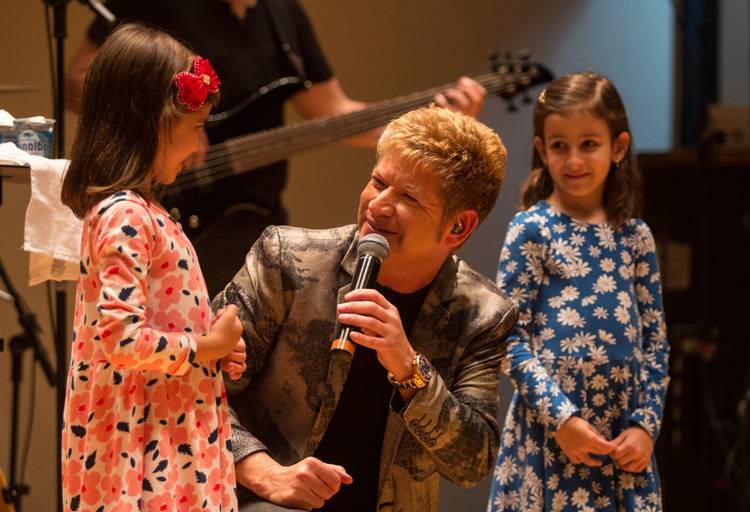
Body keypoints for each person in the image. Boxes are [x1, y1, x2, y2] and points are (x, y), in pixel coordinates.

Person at [64, 0, 487, 296]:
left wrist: (433, 123)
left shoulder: (282, 13)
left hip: (254, 219)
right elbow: (81, 80)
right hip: (173, 210)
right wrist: (169, 118)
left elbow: (331, 115)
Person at [211, 106, 517, 511]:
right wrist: (265, 473)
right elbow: (196, 386)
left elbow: (472, 464)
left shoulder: (482, 314)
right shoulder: (287, 259)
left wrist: (410, 370)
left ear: (458, 227)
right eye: (378, 182)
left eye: (407, 196)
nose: (378, 205)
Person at [60, 24, 248, 511]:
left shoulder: (146, 212)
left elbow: (162, 318)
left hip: (165, 438)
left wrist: (213, 351)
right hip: (140, 457)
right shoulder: (125, 215)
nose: (197, 147)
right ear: (150, 125)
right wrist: (207, 346)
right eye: (192, 129)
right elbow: (121, 339)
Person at [487, 72, 670, 512]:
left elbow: (656, 343)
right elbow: (509, 337)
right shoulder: (532, 229)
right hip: (550, 439)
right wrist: (562, 419)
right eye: (559, 146)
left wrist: (645, 426)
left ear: (618, 147)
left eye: (589, 144)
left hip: (622, 442)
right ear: (541, 150)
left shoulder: (634, 237)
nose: (574, 160)